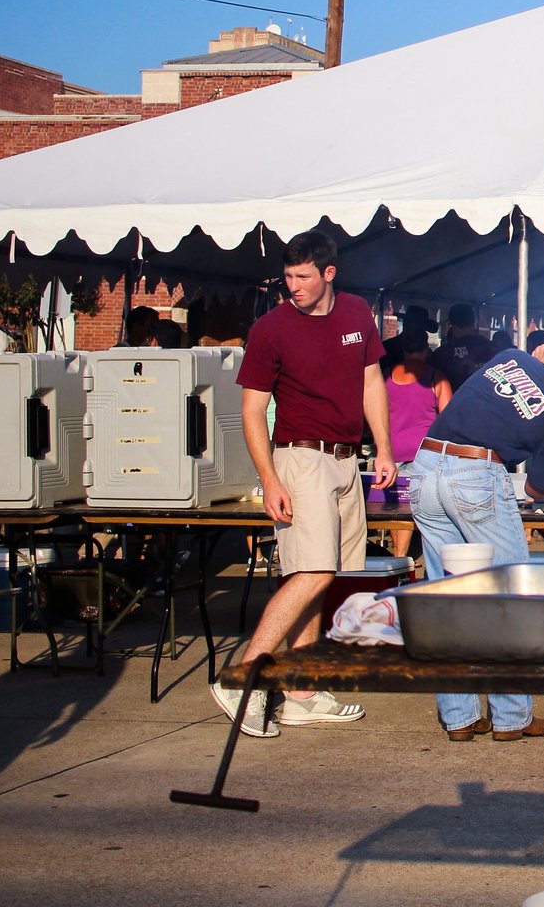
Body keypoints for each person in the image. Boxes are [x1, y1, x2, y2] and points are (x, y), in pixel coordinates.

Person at [210, 231, 395, 737]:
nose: (293, 286)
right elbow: (251, 413)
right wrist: (268, 477)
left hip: (346, 461)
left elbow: (370, 381)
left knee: (332, 578)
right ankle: (241, 680)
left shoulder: (357, 312)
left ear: (328, 273)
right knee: (310, 573)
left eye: (303, 277)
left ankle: (300, 691)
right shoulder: (270, 329)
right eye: (288, 277)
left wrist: (383, 447)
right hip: (299, 458)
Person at [405, 338, 544, 743]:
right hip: (476, 475)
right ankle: (510, 717)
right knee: (509, 597)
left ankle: (459, 719)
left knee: (446, 598)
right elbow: (539, 488)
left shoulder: (510, 357)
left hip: (426, 465)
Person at [381, 332, 452, 557]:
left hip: (390, 452)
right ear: (425, 350)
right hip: (423, 454)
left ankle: (399, 556)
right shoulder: (435, 377)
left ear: (403, 350)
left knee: (393, 508)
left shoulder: (386, 376)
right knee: (412, 508)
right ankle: (402, 560)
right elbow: (449, 419)